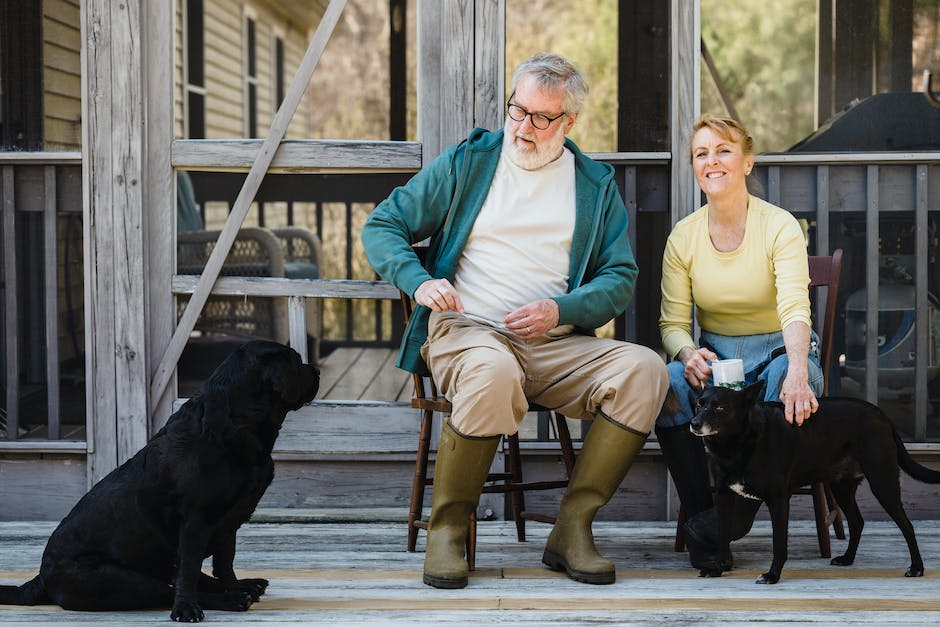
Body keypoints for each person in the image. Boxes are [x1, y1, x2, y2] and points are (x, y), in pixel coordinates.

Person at [361, 52, 668, 589]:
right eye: (517, 111)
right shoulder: (470, 162)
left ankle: (572, 528)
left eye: (542, 118)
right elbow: (383, 224)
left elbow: (619, 277)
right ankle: (449, 530)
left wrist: (562, 310)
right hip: (468, 332)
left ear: (569, 123)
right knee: (493, 371)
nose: (524, 128)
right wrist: (420, 281)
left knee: (644, 370)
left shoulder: (593, 187)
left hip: (555, 344)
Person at [656, 113, 824, 571]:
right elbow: (671, 322)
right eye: (701, 153)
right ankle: (702, 514)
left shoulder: (780, 226)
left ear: (748, 162)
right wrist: (688, 354)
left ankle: (724, 528)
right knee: (667, 383)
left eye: (724, 150)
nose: (713, 161)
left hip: (778, 351)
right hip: (717, 361)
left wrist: (796, 369)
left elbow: (794, 307)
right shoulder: (684, 237)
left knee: (780, 387)